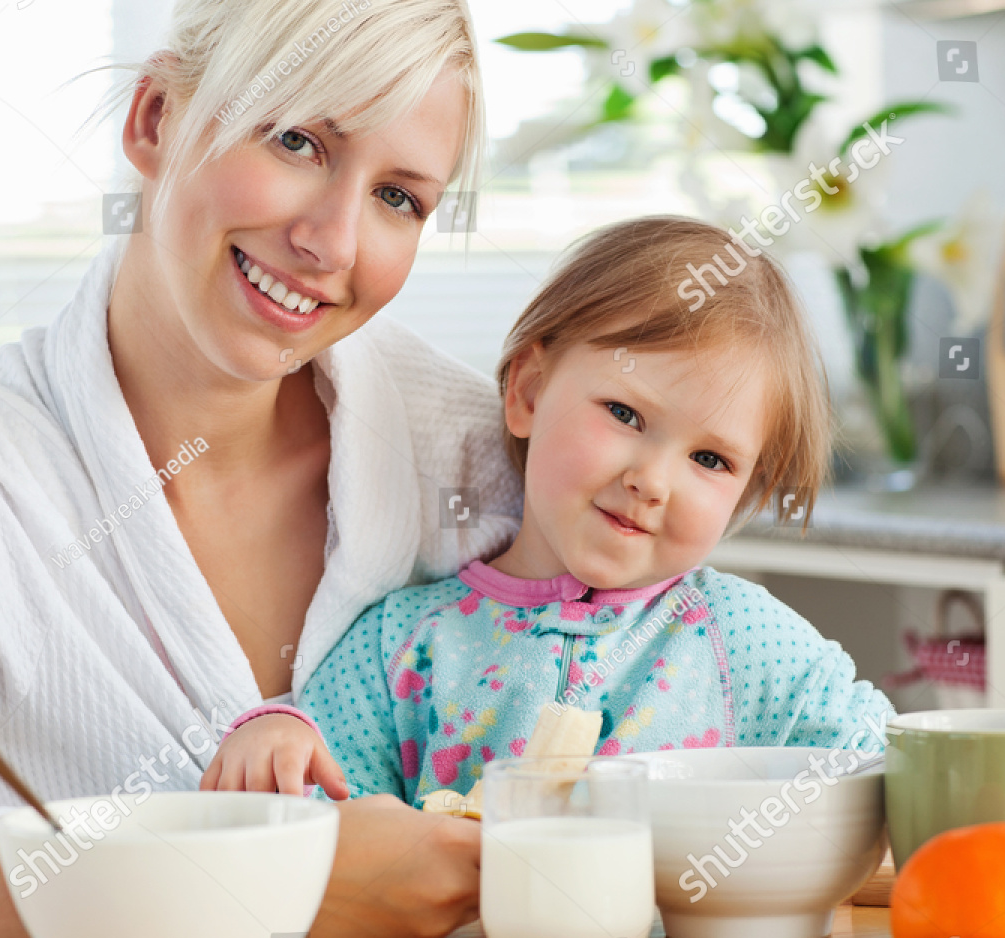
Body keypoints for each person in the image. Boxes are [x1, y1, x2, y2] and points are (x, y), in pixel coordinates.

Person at [0, 0, 521, 938]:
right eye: (297, 139)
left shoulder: (476, 456)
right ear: (156, 119)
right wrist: (249, 888)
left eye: (400, 198)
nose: (333, 243)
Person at [205, 216, 893, 801]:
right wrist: (276, 737)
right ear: (529, 393)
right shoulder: (406, 646)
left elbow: (889, 766)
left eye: (710, 460)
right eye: (624, 413)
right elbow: (326, 802)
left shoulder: (744, 642)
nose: (652, 480)